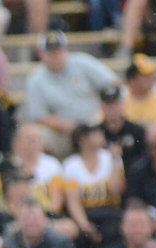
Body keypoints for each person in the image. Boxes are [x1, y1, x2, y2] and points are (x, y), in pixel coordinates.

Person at [25, 29, 118, 158]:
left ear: (66, 50)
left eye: (58, 51)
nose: (55, 56)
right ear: (41, 54)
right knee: (38, 136)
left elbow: (113, 84)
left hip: (96, 122)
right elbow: (41, 116)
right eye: (50, 52)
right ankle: (52, 171)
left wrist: (104, 113)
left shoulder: (82, 63)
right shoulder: (36, 80)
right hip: (62, 130)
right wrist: (73, 128)